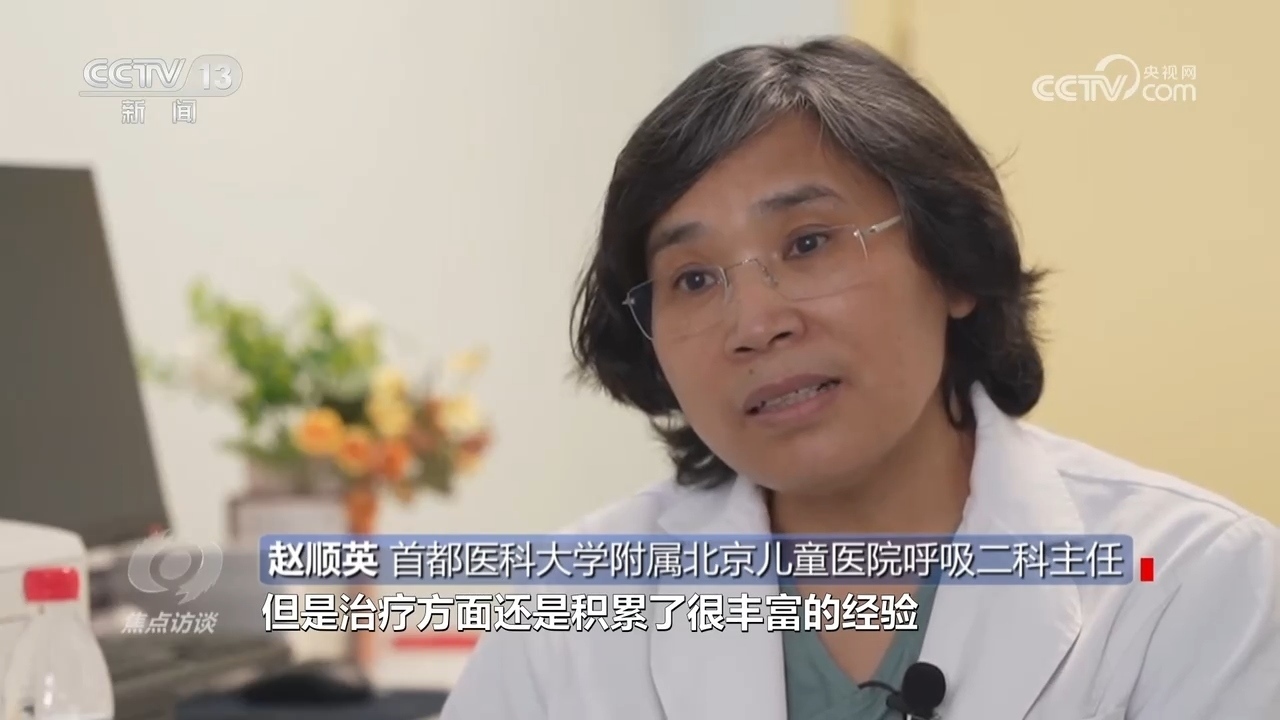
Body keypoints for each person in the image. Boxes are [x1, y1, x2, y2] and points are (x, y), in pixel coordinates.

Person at [440, 36, 1279, 720]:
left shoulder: (1196, 583)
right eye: (692, 278)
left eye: (809, 244)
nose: (755, 323)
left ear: (953, 265)